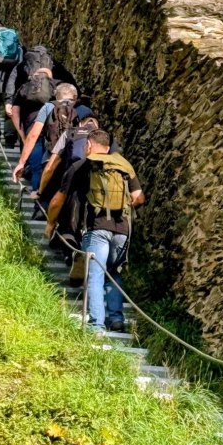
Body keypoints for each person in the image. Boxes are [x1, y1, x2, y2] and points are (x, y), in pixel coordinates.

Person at [46, 129, 145, 334]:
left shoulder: (82, 165)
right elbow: (139, 197)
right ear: (108, 148)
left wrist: (50, 223)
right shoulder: (123, 165)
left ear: (88, 146)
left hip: (97, 227)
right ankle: (116, 320)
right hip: (123, 229)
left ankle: (96, 326)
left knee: (95, 275)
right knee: (114, 273)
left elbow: (57, 200)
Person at [12, 82, 92, 194]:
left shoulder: (48, 107)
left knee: (46, 192)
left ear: (56, 96)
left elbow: (33, 135)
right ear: (75, 96)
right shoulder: (85, 110)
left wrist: (21, 163)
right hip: (76, 161)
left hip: (51, 157)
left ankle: (38, 197)